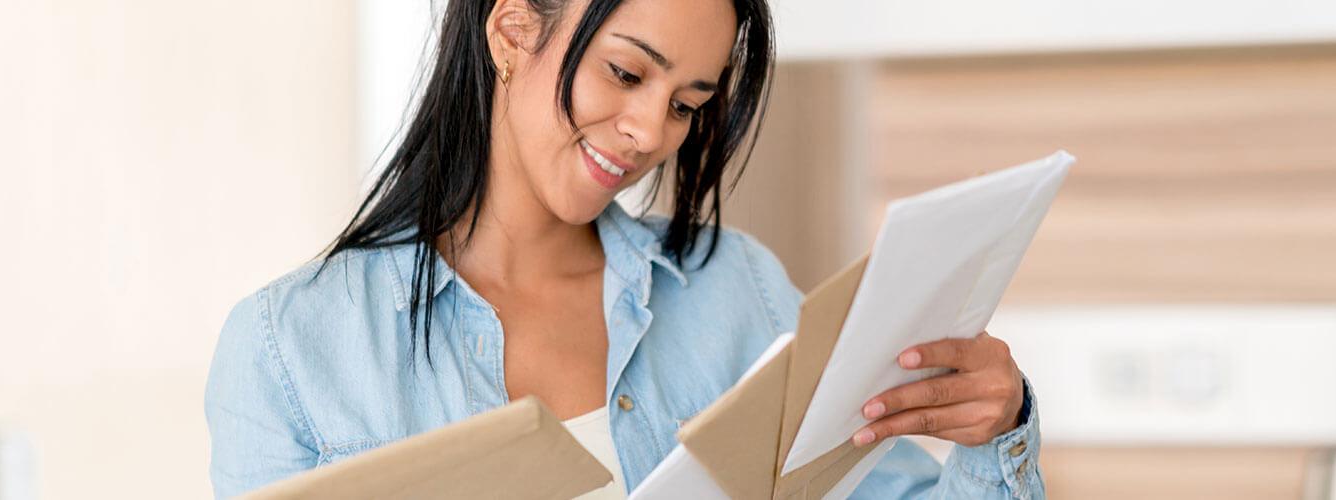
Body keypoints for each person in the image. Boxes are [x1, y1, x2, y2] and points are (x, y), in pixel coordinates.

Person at [203, 0, 1045, 498]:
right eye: (626, 73)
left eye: (687, 103)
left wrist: (994, 432)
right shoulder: (290, 350)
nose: (650, 132)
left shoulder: (736, 292)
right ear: (511, 30)